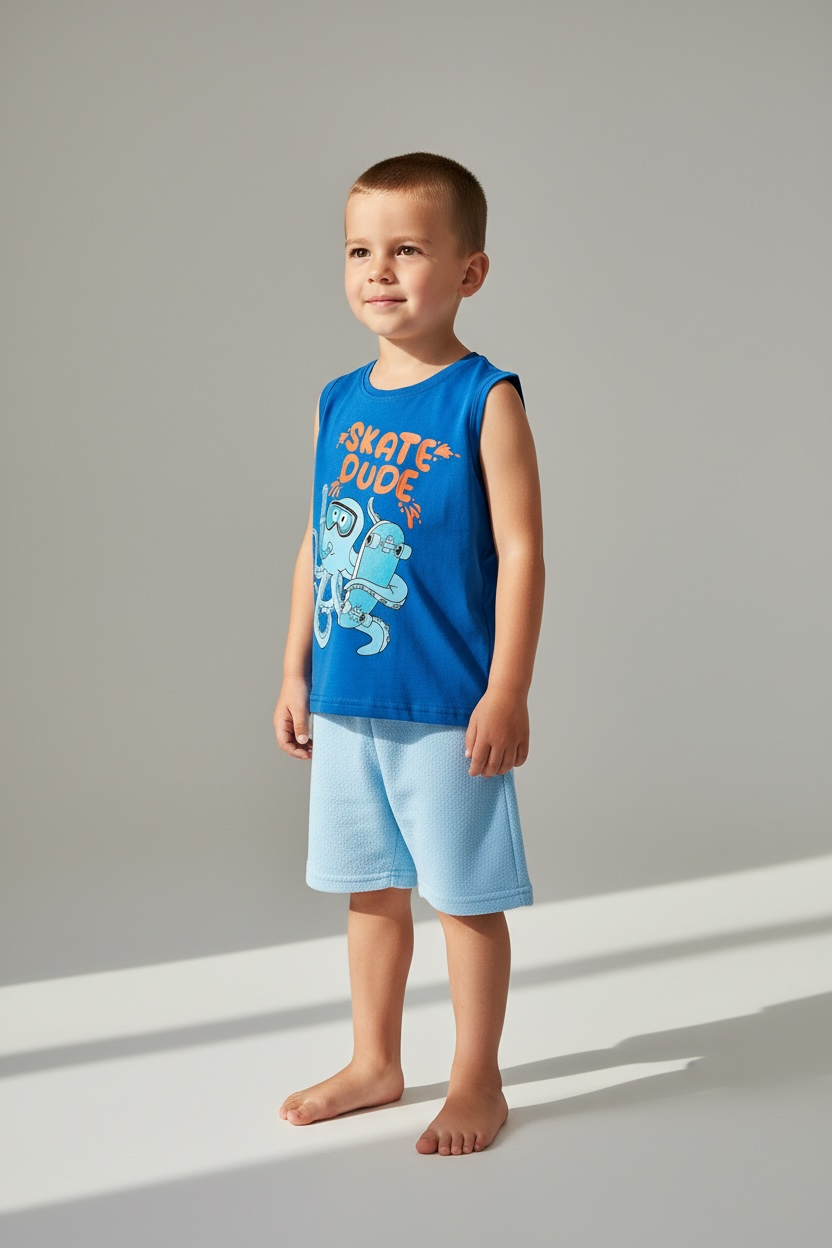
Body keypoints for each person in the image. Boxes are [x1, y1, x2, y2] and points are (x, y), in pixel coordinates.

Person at [273, 151, 545, 1157]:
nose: (378, 271)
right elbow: (316, 541)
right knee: (370, 886)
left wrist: (507, 688)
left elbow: (523, 551)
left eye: (407, 250)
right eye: (359, 250)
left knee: (463, 896)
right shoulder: (337, 399)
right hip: (348, 693)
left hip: (445, 701)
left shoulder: (484, 397)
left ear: (470, 272)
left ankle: (477, 1077)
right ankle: (374, 1060)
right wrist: (294, 669)